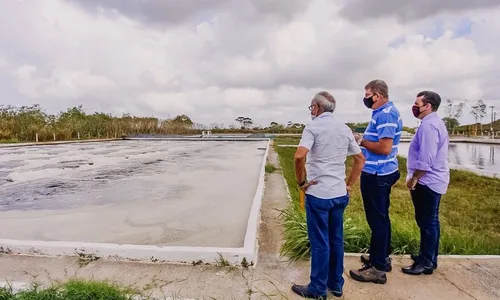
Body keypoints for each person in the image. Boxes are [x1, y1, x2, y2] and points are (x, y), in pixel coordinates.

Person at [291, 91, 366, 299]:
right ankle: (336, 284)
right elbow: (360, 159)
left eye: (311, 108)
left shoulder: (312, 127)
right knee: (336, 239)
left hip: (318, 195)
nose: (311, 111)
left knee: (320, 242)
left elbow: (299, 156)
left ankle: (317, 288)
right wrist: (349, 185)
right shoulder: (344, 129)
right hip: (339, 194)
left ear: (316, 107)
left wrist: (301, 183)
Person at [349, 79, 402, 284]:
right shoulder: (381, 113)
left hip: (378, 175)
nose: (366, 98)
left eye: (367, 94)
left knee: (377, 221)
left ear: (377, 95)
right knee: (381, 218)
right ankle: (381, 256)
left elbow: (384, 148)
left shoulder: (387, 114)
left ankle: (377, 269)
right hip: (378, 172)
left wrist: (361, 141)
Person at [402, 91, 449, 275]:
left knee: (427, 222)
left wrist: (414, 178)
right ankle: (428, 256)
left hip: (427, 182)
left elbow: (426, 159)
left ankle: (426, 263)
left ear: (427, 106)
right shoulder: (433, 123)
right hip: (433, 180)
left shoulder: (429, 126)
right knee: (430, 221)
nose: (414, 107)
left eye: (417, 103)